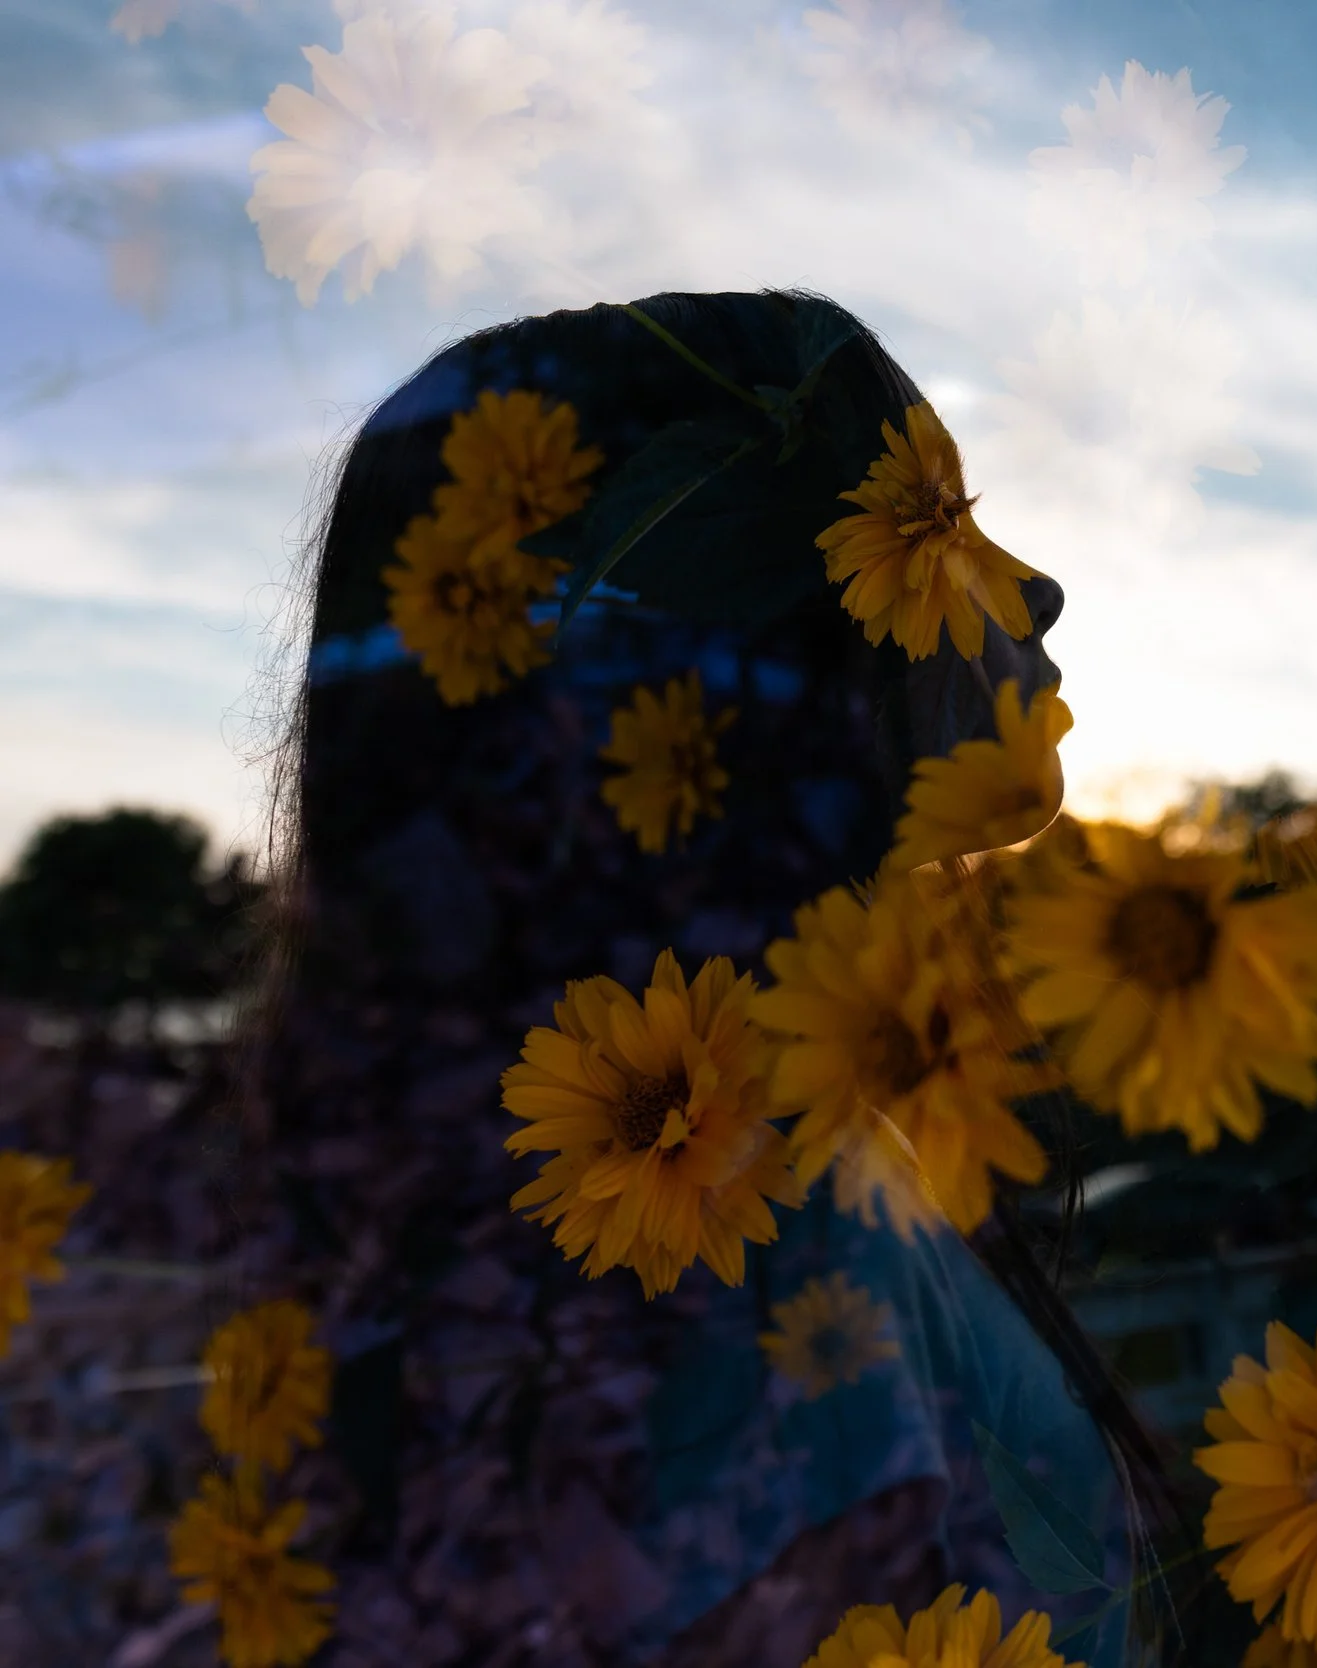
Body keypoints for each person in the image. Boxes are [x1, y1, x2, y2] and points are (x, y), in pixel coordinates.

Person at [245, 291, 1160, 1666]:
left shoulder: (699, 1164)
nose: (1033, 587)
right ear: (726, 618)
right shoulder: (755, 1215)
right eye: (926, 522)